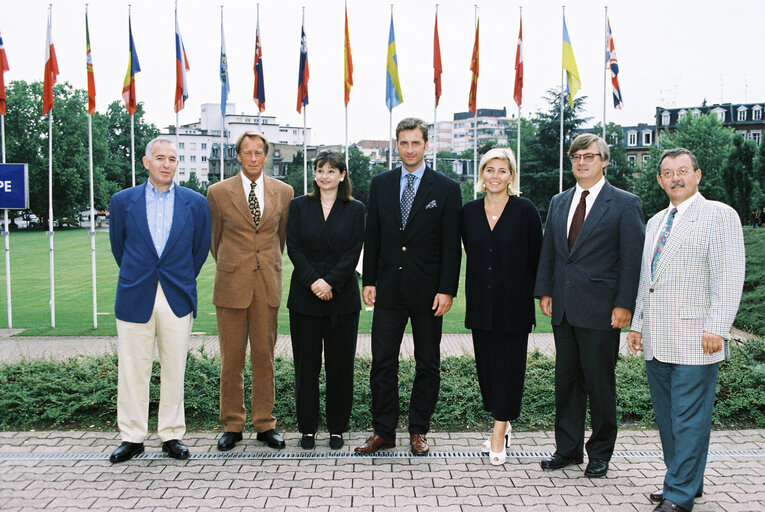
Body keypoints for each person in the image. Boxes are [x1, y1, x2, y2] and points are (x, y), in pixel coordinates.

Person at [627, 148, 745, 512]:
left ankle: (678, 495)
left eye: (682, 170)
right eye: (667, 172)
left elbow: (729, 274)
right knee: (667, 417)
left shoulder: (719, 215)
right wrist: (637, 325)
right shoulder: (656, 221)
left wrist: (718, 327)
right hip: (657, 337)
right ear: (660, 180)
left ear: (697, 174)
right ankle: (685, 480)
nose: (675, 178)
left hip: (698, 337)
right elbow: (648, 279)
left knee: (688, 417)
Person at [534, 133, 644, 478]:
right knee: (566, 382)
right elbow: (550, 251)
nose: (582, 162)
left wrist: (625, 304)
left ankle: (600, 452)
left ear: (604, 160)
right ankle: (567, 450)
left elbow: (632, 259)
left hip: (602, 309)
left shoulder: (625, 203)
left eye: (589, 156)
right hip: (564, 307)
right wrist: (545, 291)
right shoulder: (558, 201)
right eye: (576, 157)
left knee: (599, 383)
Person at [355, 117, 462, 456]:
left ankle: (419, 430)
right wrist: (368, 279)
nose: (410, 149)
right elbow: (373, 237)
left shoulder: (445, 188)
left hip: (429, 292)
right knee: (382, 363)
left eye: (416, 142)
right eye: (404, 143)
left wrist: (447, 290)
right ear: (396, 144)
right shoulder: (381, 183)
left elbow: (450, 245)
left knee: (427, 363)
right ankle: (383, 431)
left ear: (426, 144)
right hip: (388, 289)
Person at [108, 137, 211, 463]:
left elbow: (199, 249)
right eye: (161, 158)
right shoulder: (122, 201)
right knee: (132, 368)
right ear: (146, 162)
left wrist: (178, 278)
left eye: (173, 158)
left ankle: (171, 435)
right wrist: (140, 274)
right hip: (135, 293)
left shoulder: (195, 203)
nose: (167, 164)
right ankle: (132, 437)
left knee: (174, 368)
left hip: (176, 295)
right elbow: (118, 248)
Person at [207, 130, 294, 451]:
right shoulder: (217, 192)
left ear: (266, 155)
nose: (254, 158)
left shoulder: (284, 192)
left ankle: (264, 424)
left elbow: (280, 240)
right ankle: (232, 424)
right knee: (232, 359)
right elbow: (214, 240)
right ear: (238, 156)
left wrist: (262, 267)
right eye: (248, 152)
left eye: (259, 152)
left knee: (264, 357)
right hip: (231, 286)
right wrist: (235, 266)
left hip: (266, 287)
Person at [460, 148, 542, 465]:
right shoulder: (468, 212)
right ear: (481, 174)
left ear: (512, 176)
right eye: (489, 170)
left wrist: (543, 295)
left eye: (502, 170)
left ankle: (497, 432)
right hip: (481, 304)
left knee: (509, 369)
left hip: (515, 306)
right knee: (488, 372)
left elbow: (537, 257)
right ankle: (504, 421)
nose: (495, 176)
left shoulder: (525, 210)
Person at [286, 151, 365, 450]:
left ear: (342, 175)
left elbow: (352, 251)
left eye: (332, 171)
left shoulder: (355, 209)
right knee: (306, 368)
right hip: (305, 298)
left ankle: (336, 429)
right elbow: (294, 247)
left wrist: (330, 281)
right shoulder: (298, 206)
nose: (325, 176)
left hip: (342, 299)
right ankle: (307, 429)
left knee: (340, 367)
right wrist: (315, 282)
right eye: (320, 170)